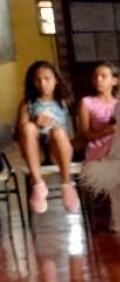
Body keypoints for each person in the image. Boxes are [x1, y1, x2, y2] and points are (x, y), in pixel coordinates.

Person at [15, 60, 78, 214]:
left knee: (58, 132)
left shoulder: (64, 103)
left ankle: (66, 184)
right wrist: (34, 123)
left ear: (56, 80)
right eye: (38, 80)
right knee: (28, 127)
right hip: (37, 154)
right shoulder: (28, 104)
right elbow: (19, 135)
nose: (42, 84)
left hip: (59, 152)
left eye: (47, 79)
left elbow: (71, 136)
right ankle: (38, 184)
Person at [79, 62, 119, 162]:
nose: (98, 80)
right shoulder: (86, 102)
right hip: (98, 147)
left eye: (103, 77)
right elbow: (85, 134)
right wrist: (105, 131)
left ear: (114, 81)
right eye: (95, 77)